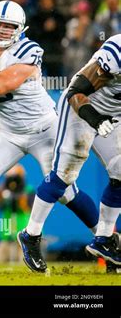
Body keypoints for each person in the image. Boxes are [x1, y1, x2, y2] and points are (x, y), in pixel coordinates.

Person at [0, 0, 99, 272]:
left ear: (20, 29)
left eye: (8, 25)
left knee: (66, 193)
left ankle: (106, 237)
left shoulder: (28, 51)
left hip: (44, 129)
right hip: (8, 130)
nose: (1, 30)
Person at [18, 34, 121, 273]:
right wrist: (94, 118)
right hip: (82, 108)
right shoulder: (116, 52)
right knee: (64, 175)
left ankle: (105, 239)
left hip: (115, 114)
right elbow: (76, 91)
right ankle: (31, 235)